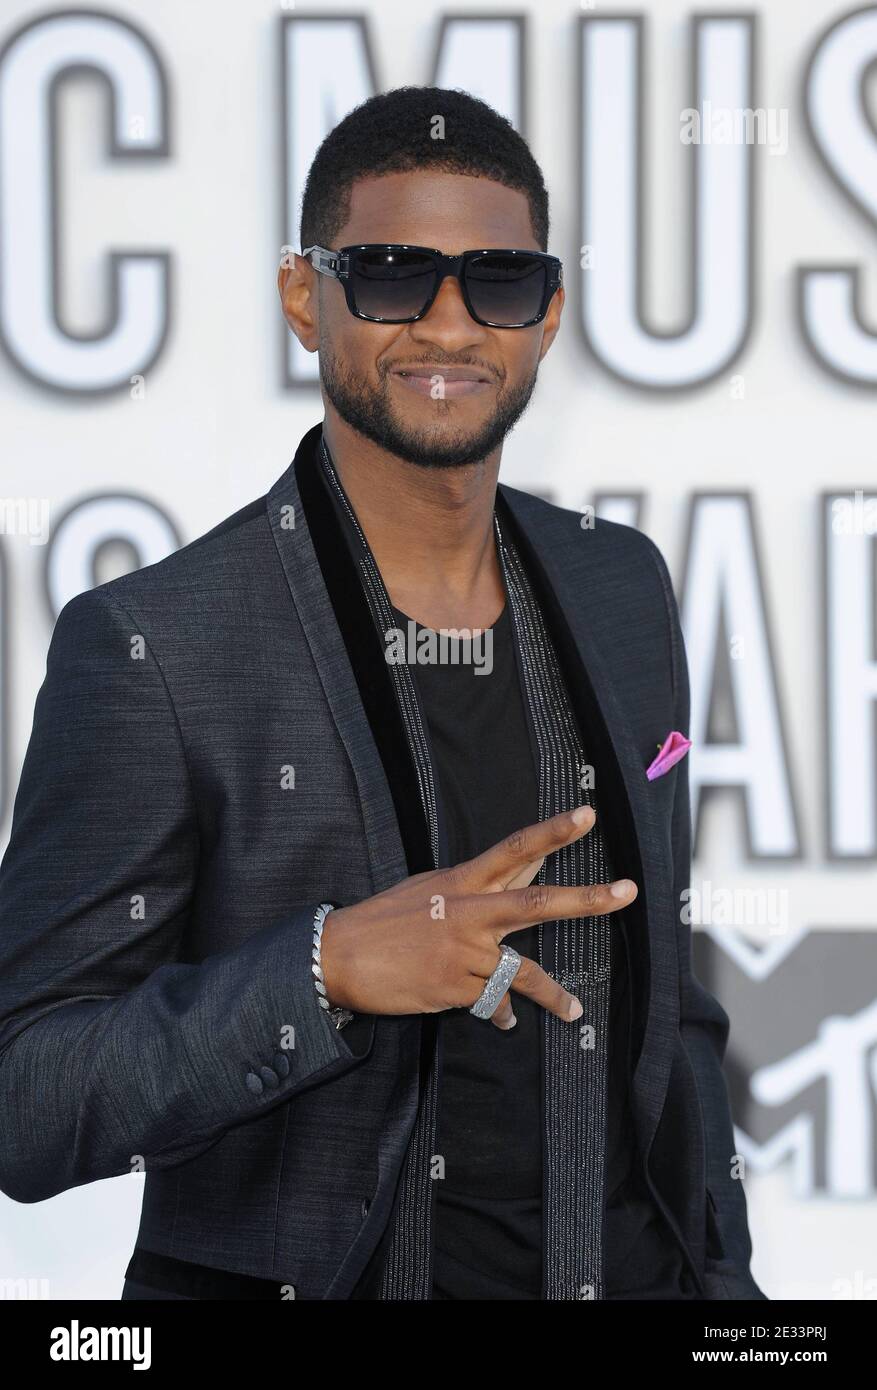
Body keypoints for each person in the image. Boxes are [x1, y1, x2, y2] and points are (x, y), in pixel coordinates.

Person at [0, 85, 765, 1301]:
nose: (451, 327)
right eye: (394, 275)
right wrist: (323, 970)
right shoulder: (157, 646)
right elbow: (28, 1096)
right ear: (307, 297)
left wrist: (727, 1287)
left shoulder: (621, 587)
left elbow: (668, 1007)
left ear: (549, 314)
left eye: (498, 280)